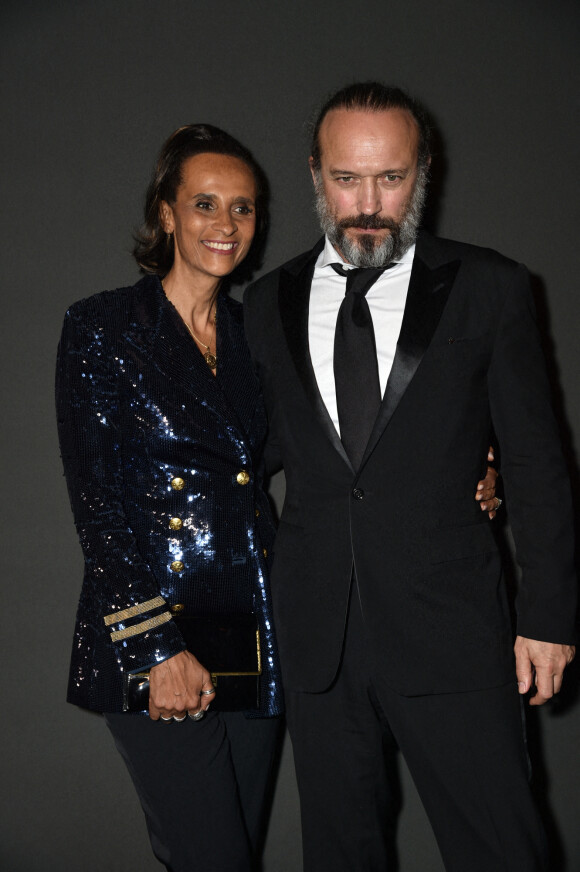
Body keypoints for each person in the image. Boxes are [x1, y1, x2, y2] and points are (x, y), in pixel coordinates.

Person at [243, 82, 577, 872]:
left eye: (390, 178)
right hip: (319, 637)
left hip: (454, 632)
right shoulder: (266, 303)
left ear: (421, 175)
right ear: (317, 175)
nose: (368, 203)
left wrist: (550, 613)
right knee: (339, 852)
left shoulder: (491, 287)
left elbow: (536, 458)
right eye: (347, 178)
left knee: (503, 851)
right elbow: (257, 456)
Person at [55, 124, 284, 872]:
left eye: (243, 209)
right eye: (206, 204)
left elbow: (320, 455)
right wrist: (156, 646)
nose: (225, 226)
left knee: (232, 855)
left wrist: (464, 471)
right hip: (160, 635)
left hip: (256, 632)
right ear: (166, 213)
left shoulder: (263, 338)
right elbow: (97, 504)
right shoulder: (103, 328)